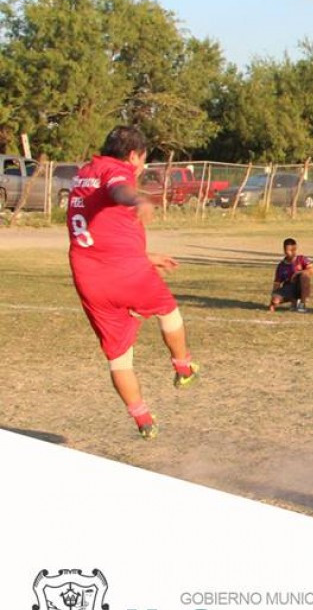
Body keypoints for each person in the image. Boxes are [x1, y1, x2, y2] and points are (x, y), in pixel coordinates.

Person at [67, 125, 199, 440]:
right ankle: (183, 366)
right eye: (142, 161)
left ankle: (142, 418)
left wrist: (146, 256)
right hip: (122, 270)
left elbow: (99, 230)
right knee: (169, 312)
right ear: (132, 155)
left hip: (88, 275)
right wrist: (136, 200)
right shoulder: (117, 171)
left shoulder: (84, 173)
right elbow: (118, 190)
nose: (140, 168)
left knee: (118, 356)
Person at [270, 238, 313, 311]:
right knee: (275, 300)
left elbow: (312, 270)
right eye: (290, 250)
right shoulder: (281, 266)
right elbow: (277, 283)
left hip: (301, 287)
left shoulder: (302, 259)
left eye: (294, 250)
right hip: (289, 288)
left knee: (304, 275)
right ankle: (294, 301)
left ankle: (302, 304)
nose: (293, 252)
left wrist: (298, 272)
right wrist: (272, 301)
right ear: (284, 250)